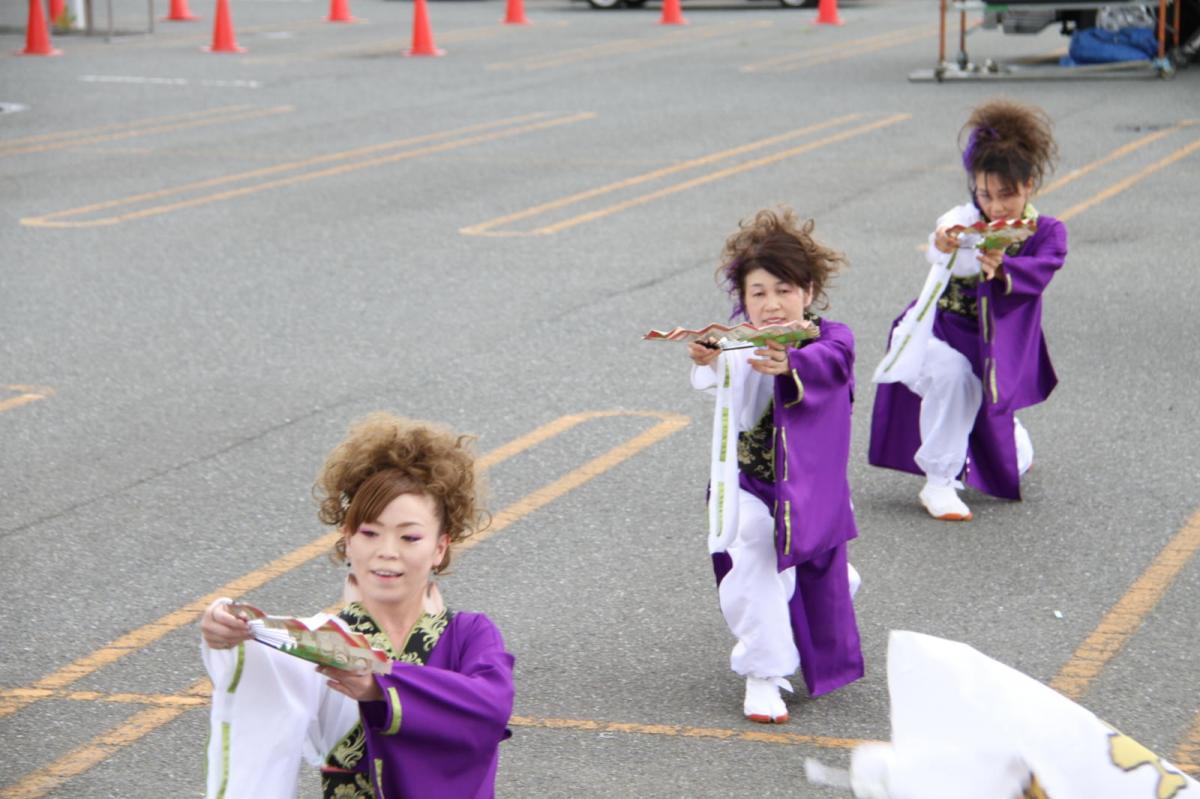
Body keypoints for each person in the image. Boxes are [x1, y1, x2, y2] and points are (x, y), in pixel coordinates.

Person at [200, 413, 514, 799]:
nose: (387, 552)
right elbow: (267, 679)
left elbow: (490, 708)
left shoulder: (470, 635)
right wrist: (230, 633)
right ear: (348, 540)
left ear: (440, 547)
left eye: (409, 537)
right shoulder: (323, 642)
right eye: (369, 533)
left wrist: (380, 686)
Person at [688, 208, 864, 724]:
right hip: (748, 484)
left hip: (811, 492)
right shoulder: (740, 340)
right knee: (751, 544)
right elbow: (725, 372)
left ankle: (804, 595)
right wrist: (711, 358)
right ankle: (764, 673)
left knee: (793, 570)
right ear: (743, 300)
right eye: (758, 292)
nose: (771, 304)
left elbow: (832, 364)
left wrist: (791, 363)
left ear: (808, 292)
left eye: (783, 290)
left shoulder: (832, 339)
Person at [869, 99, 1067, 521]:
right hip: (935, 334)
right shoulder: (964, 219)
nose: (995, 207)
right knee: (956, 380)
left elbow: (1041, 270)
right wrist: (947, 243)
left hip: (994, 350)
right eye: (985, 194)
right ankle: (938, 483)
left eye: (1006, 194)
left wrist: (1003, 268)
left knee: (1004, 448)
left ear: (1029, 184)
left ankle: (1013, 441)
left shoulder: (1048, 232)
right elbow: (945, 237)